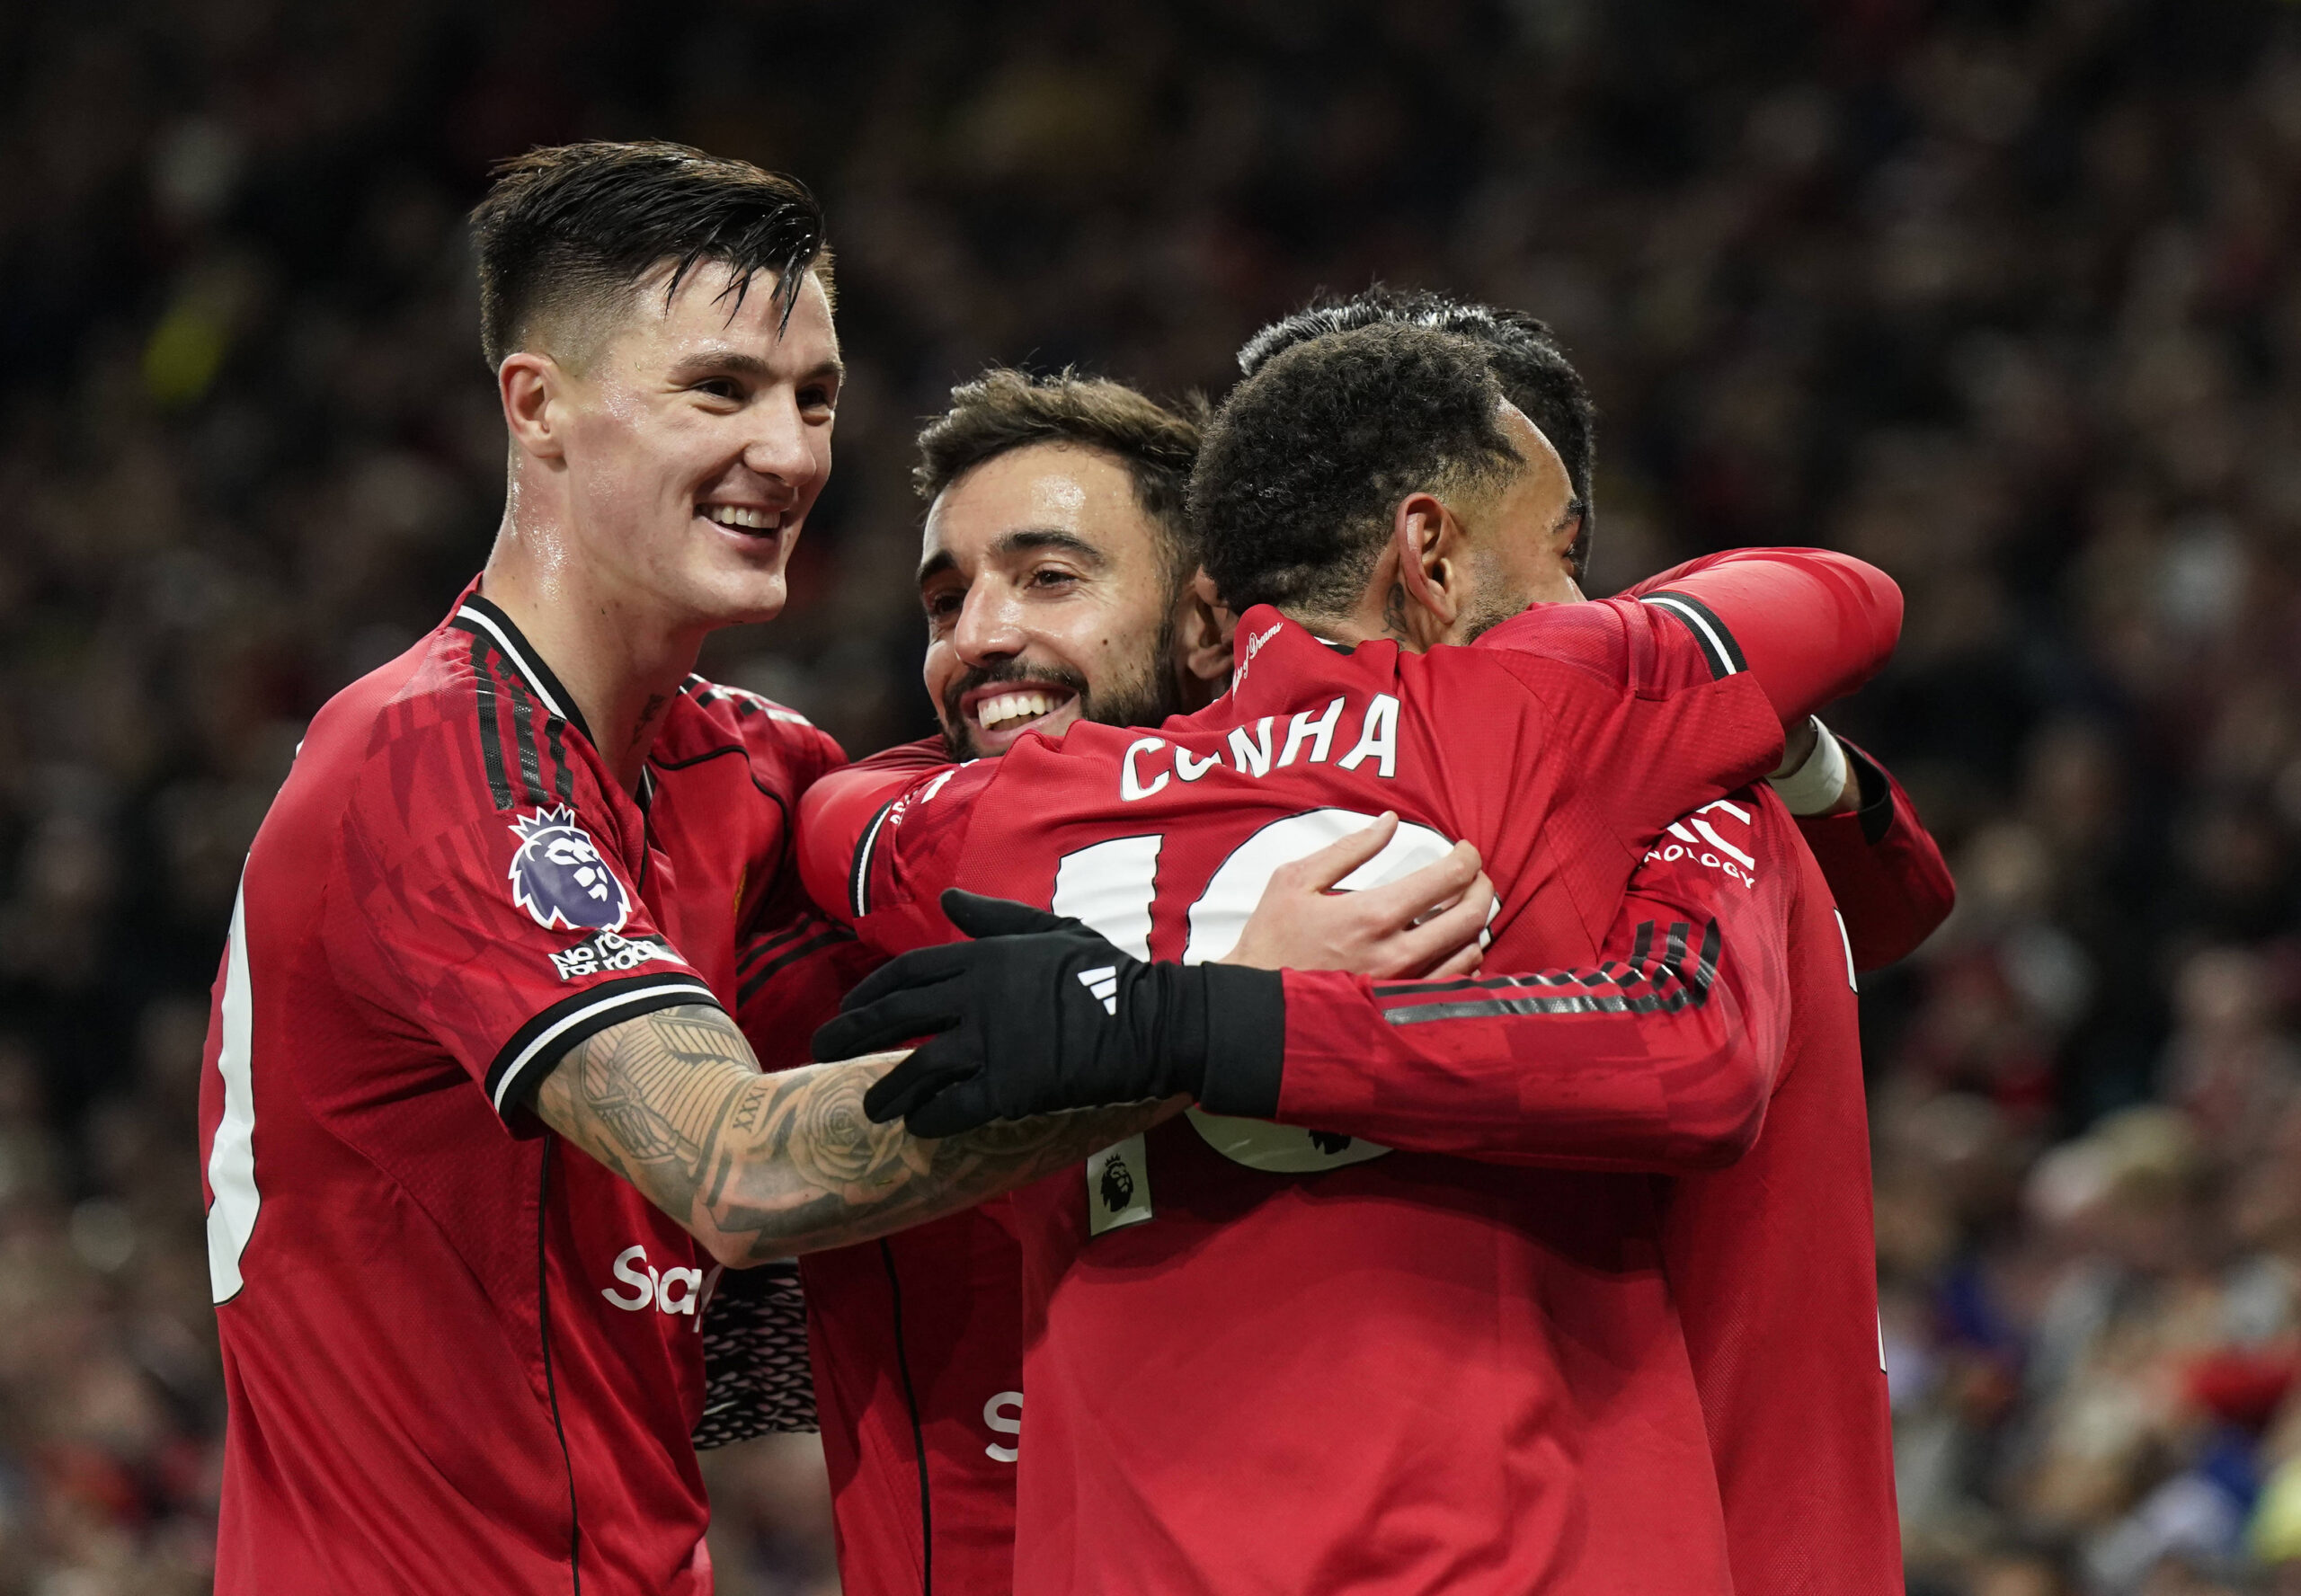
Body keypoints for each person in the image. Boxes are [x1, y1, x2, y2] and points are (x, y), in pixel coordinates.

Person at [193, 142, 1169, 1595]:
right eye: (721, 389)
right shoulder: (422, 758)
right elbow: (744, 1170)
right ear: (540, 408)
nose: (788, 453)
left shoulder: (758, 773)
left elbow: (744, 1323)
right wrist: (1230, 1020)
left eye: (814, 398)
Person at [803, 322, 1908, 1592]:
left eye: (1051, 578)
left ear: (1211, 615)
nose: (985, 635)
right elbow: (1847, 609)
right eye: (945, 601)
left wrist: (1190, 1018)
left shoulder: (969, 836)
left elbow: (841, 818)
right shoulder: (1569, 730)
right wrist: (1780, 740)